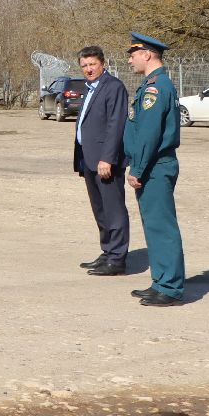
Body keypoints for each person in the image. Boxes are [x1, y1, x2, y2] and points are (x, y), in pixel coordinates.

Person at [123, 34, 187, 307]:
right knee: (153, 226)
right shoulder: (152, 85)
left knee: (162, 227)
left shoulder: (156, 88)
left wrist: (136, 168)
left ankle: (170, 287)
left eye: (133, 54)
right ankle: (161, 281)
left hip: (154, 166)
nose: (129, 59)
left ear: (147, 54)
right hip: (152, 164)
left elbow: (149, 133)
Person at [72, 46, 131, 278]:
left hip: (105, 161)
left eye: (92, 64)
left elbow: (115, 125)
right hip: (89, 158)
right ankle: (107, 251)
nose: (88, 69)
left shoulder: (113, 87)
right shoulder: (89, 88)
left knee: (113, 209)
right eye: (84, 65)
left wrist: (107, 157)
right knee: (100, 208)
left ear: (102, 64)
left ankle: (117, 257)